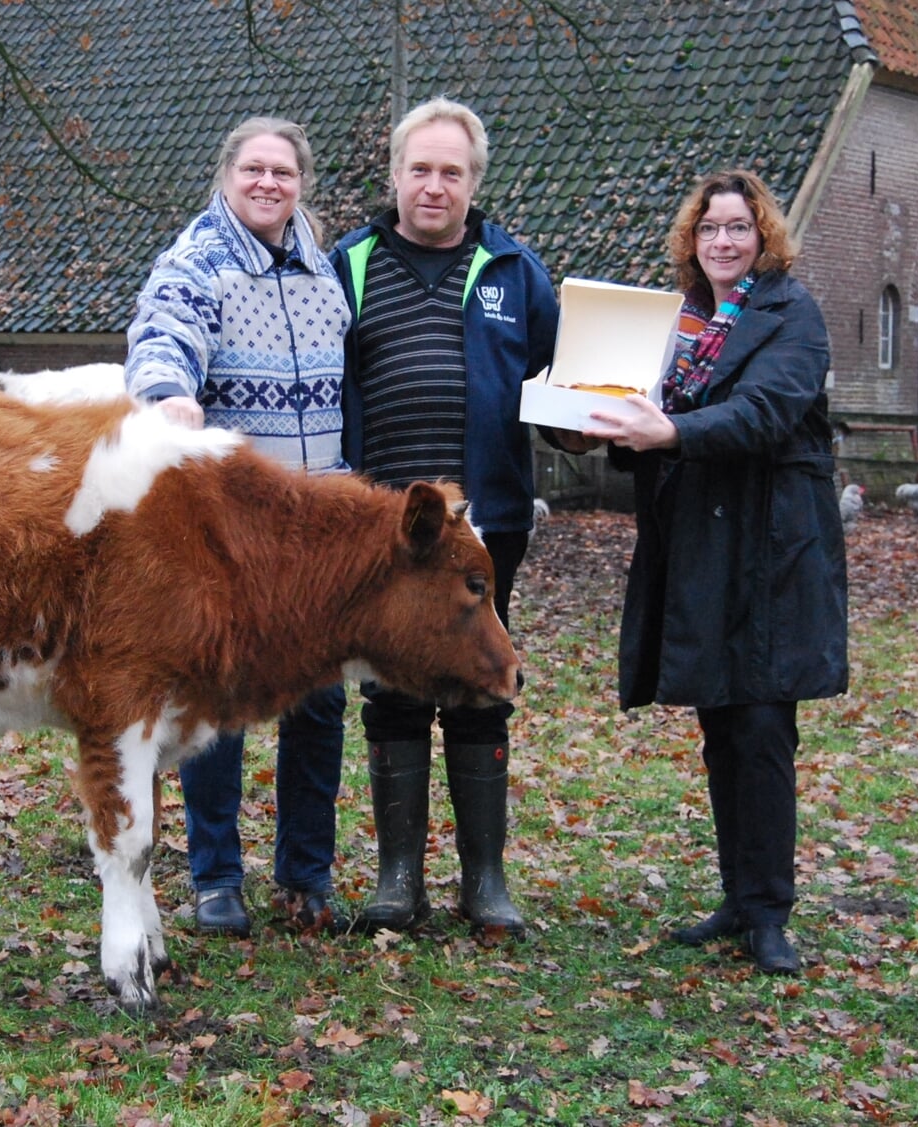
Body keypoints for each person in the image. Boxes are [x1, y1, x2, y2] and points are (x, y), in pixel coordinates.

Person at [553, 168, 848, 975]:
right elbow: (635, 408)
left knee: (760, 727)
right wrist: (581, 427)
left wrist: (664, 435)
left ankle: (768, 911)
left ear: (763, 238)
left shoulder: (791, 313)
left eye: (738, 228)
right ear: (693, 239)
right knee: (721, 723)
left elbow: (762, 412)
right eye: (710, 228)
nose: (723, 241)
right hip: (697, 550)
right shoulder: (673, 321)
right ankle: (737, 895)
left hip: (770, 549)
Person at [331, 97, 559, 937]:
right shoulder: (345, 265)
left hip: (485, 524)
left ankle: (485, 882)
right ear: (393, 176)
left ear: (473, 182)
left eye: (450, 172)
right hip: (383, 530)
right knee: (389, 688)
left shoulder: (514, 271)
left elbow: (552, 376)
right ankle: (397, 882)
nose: (434, 186)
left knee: (480, 681)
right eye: (419, 170)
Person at [124, 116, 352, 938]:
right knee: (217, 711)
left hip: (315, 533)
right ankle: (216, 877)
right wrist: (167, 390)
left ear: (300, 184)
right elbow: (161, 333)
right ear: (226, 176)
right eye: (253, 169)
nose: (267, 184)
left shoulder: (321, 268)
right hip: (228, 535)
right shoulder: (198, 261)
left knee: (317, 704)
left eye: (282, 173)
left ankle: (306, 875)